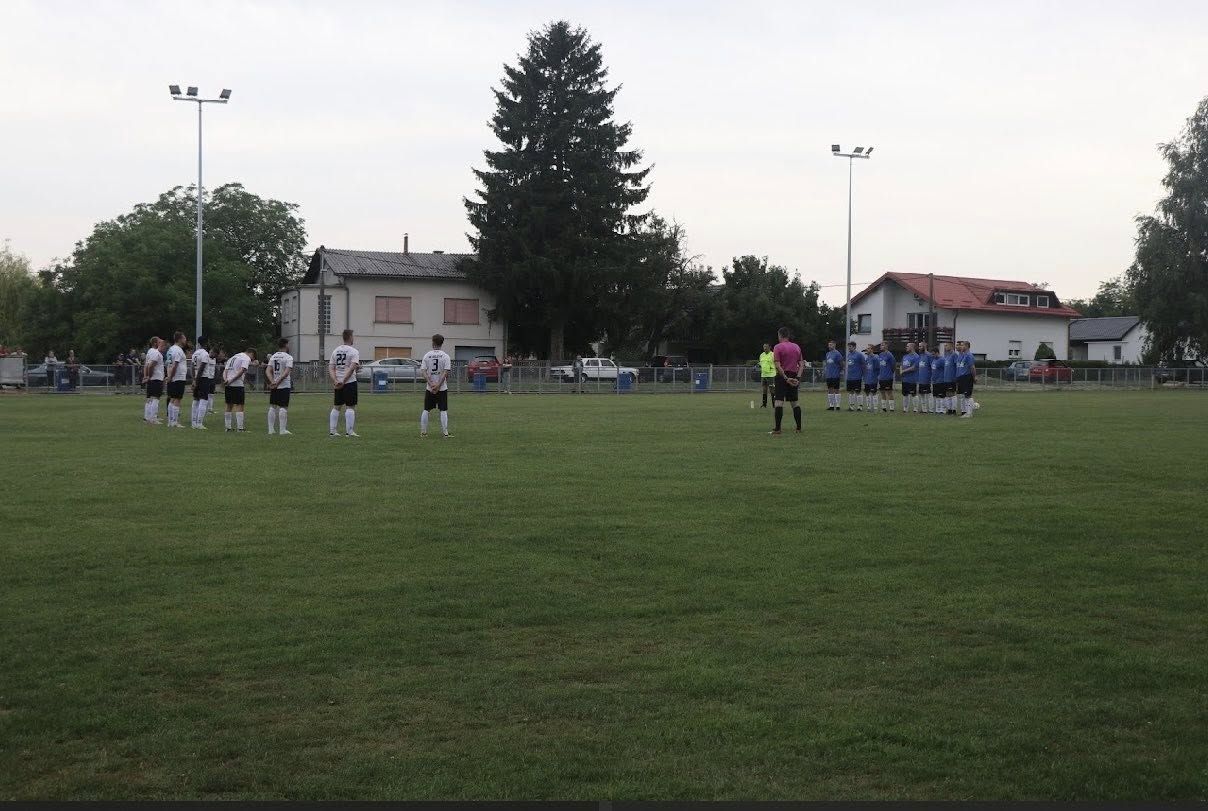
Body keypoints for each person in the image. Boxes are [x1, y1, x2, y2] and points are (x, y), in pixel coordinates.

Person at [769, 326, 805, 436]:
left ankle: (778, 429)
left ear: (780, 335)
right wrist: (797, 378)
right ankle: (798, 428)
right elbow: (801, 364)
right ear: (788, 335)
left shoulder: (777, 347)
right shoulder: (796, 347)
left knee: (779, 402)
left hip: (782, 376)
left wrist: (785, 378)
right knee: (795, 402)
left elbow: (777, 365)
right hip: (794, 375)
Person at [420, 333, 454, 438]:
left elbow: (424, 372)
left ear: (433, 342)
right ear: (442, 343)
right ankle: (445, 433)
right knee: (443, 410)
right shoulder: (445, 356)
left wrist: (431, 385)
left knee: (426, 409)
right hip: (442, 388)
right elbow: (445, 373)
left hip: (429, 388)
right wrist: (438, 386)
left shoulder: (427, 355)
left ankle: (424, 432)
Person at [329, 328, 360, 437]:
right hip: (349, 382)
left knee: (336, 406)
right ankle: (349, 432)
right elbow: (351, 369)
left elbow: (331, 368)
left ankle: (332, 432)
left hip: (338, 383)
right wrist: (343, 381)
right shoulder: (354, 351)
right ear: (350, 337)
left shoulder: (335, 350)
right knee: (350, 406)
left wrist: (336, 381)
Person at [223, 346, 255, 432]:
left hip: (228, 385)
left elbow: (225, 370)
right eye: (253, 357)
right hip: (237, 384)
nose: (251, 360)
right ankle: (240, 428)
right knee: (240, 405)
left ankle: (228, 428)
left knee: (229, 405)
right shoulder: (246, 358)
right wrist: (231, 380)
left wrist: (226, 380)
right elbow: (242, 371)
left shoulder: (232, 357)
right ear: (251, 353)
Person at [266, 338, 294, 435]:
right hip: (284, 385)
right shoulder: (288, 357)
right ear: (286, 345)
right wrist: (277, 382)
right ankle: (282, 430)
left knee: (272, 407)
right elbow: (286, 373)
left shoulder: (273, 356)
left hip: (274, 385)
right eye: (288, 344)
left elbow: (268, 371)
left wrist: (272, 381)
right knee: (283, 407)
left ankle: (271, 430)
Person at [163, 332, 188, 428]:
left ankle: (170, 421)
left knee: (172, 399)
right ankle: (175, 422)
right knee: (177, 399)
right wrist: (171, 376)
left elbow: (168, 363)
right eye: (184, 338)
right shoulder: (178, 350)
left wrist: (169, 376)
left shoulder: (170, 349)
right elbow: (175, 365)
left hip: (172, 377)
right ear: (180, 339)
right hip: (178, 377)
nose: (185, 340)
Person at [190, 335, 212, 429]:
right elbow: (202, 368)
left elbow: (192, 367)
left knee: (195, 399)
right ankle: (199, 423)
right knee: (204, 400)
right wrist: (196, 380)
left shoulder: (195, 353)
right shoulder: (205, 354)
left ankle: (193, 423)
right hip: (203, 378)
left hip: (196, 377)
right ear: (206, 342)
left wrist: (193, 379)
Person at [142, 337, 165, 424]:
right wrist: (149, 376)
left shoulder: (149, 352)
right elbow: (150, 366)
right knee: (156, 398)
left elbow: (146, 366)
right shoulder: (155, 353)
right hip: (156, 378)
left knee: (149, 398)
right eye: (159, 342)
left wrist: (146, 376)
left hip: (152, 378)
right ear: (155, 343)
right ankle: (153, 418)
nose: (161, 343)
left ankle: (147, 417)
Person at [956, 340, 977, 418]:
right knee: (963, 395)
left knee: (968, 395)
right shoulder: (964, 355)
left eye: (963, 345)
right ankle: (965, 412)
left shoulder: (969, 355)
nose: (961, 347)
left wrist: (974, 377)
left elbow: (972, 367)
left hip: (967, 377)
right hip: (962, 377)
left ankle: (969, 413)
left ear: (967, 346)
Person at [823, 340, 843, 411]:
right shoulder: (827, 354)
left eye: (831, 345)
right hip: (829, 375)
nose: (829, 346)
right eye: (829, 345)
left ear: (834, 345)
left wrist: (839, 371)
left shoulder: (838, 354)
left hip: (835, 375)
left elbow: (841, 364)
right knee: (830, 390)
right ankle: (831, 406)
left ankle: (837, 406)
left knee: (836, 390)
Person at [899, 342, 919, 415]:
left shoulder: (916, 356)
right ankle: (905, 408)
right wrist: (901, 370)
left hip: (912, 379)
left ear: (912, 347)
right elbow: (901, 365)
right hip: (905, 379)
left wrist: (903, 371)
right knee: (905, 394)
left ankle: (915, 409)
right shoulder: (905, 356)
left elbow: (914, 367)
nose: (906, 347)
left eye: (907, 346)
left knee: (913, 394)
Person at [845, 341, 865, 411]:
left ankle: (860, 406)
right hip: (850, 377)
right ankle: (851, 406)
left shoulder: (859, 355)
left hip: (857, 377)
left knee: (858, 392)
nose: (849, 348)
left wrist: (862, 374)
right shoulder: (849, 355)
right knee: (851, 392)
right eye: (848, 346)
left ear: (854, 347)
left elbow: (863, 365)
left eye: (850, 346)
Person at [877, 342, 896, 412]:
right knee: (882, 392)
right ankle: (884, 408)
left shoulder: (890, 355)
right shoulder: (880, 355)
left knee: (889, 392)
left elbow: (893, 366)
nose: (881, 346)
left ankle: (891, 408)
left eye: (882, 345)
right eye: (881, 345)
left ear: (886, 346)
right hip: (881, 377)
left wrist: (890, 373)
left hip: (888, 377)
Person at [862, 344, 879, 413]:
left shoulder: (875, 358)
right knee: (867, 393)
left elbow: (877, 369)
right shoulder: (867, 358)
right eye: (867, 348)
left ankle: (875, 408)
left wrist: (875, 376)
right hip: (867, 379)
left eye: (868, 348)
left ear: (872, 350)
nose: (867, 350)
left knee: (874, 393)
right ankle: (868, 407)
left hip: (873, 379)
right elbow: (866, 368)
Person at [916, 342, 932, 415]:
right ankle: (924, 410)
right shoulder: (920, 355)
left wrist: (931, 377)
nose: (919, 348)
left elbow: (932, 366)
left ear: (925, 346)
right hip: (921, 379)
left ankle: (931, 410)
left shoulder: (929, 355)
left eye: (920, 346)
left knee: (928, 394)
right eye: (919, 346)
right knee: (922, 394)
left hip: (927, 379)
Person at [758, 343, 776, 408]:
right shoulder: (761, 355)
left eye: (766, 347)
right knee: (764, 389)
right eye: (764, 347)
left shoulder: (773, 354)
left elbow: (776, 363)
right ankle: (764, 404)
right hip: (763, 375)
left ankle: (774, 404)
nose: (765, 348)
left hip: (771, 375)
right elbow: (761, 363)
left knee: (772, 390)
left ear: (770, 347)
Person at [930, 348, 947, 415]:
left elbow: (946, 369)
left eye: (933, 354)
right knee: (936, 396)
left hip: (941, 381)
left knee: (942, 396)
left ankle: (943, 410)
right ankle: (937, 410)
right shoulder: (934, 360)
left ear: (937, 353)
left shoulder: (942, 360)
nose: (933, 356)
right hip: (935, 382)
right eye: (932, 354)